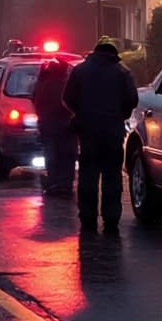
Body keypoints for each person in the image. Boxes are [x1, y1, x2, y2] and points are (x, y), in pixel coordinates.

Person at [63, 39, 138, 232]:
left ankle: (88, 217)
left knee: (88, 174)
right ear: (114, 54)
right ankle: (111, 217)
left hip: (87, 131)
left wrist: (80, 113)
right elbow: (132, 99)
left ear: (94, 53)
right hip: (113, 132)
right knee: (112, 175)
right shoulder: (122, 72)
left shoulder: (80, 71)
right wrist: (121, 114)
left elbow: (67, 98)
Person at [32, 55, 76, 196]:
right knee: (67, 156)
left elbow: (34, 100)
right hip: (66, 124)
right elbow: (71, 102)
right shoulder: (65, 83)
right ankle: (65, 185)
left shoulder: (42, 83)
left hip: (47, 124)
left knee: (51, 155)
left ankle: (53, 184)